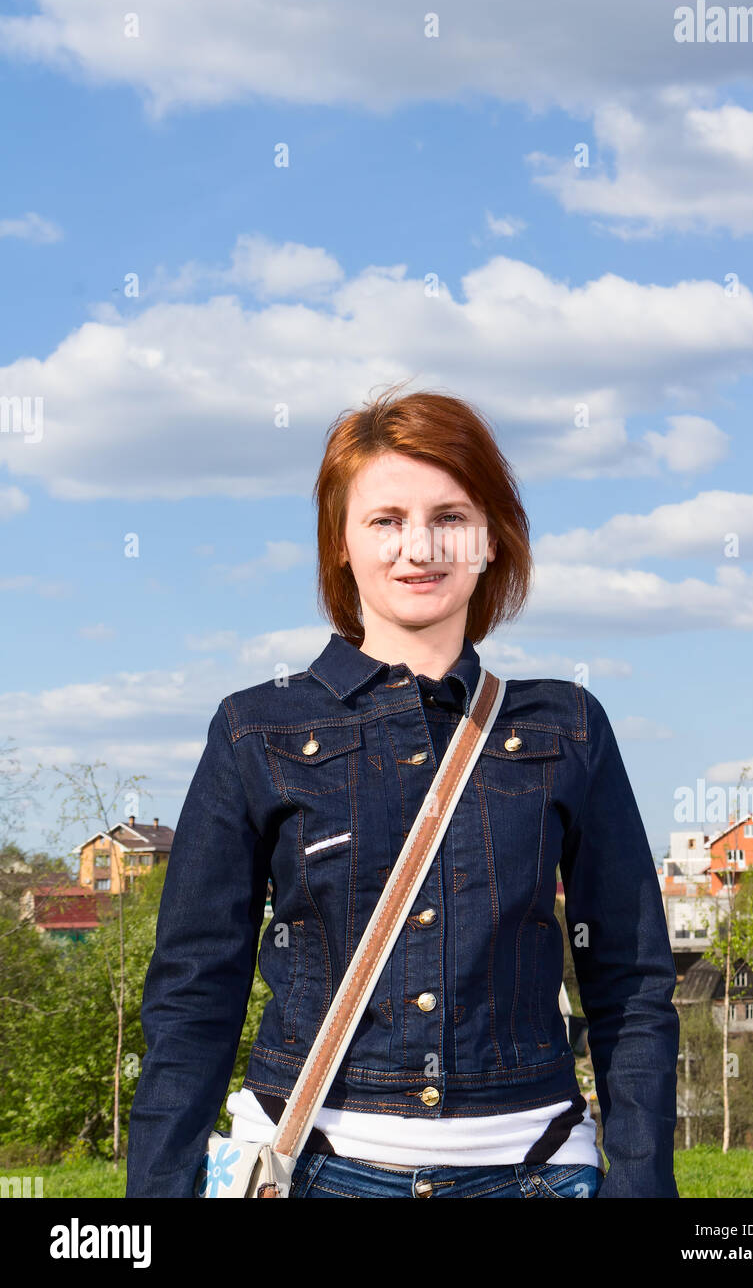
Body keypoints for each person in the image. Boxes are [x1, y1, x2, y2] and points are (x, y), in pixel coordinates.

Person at [125, 382, 679, 1198]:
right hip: (308, 1171)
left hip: (535, 1172)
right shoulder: (254, 731)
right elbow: (193, 990)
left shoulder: (570, 728)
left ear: (491, 541)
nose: (419, 548)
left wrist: (642, 1186)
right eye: (385, 520)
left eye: (450, 518)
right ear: (341, 545)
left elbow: (631, 984)